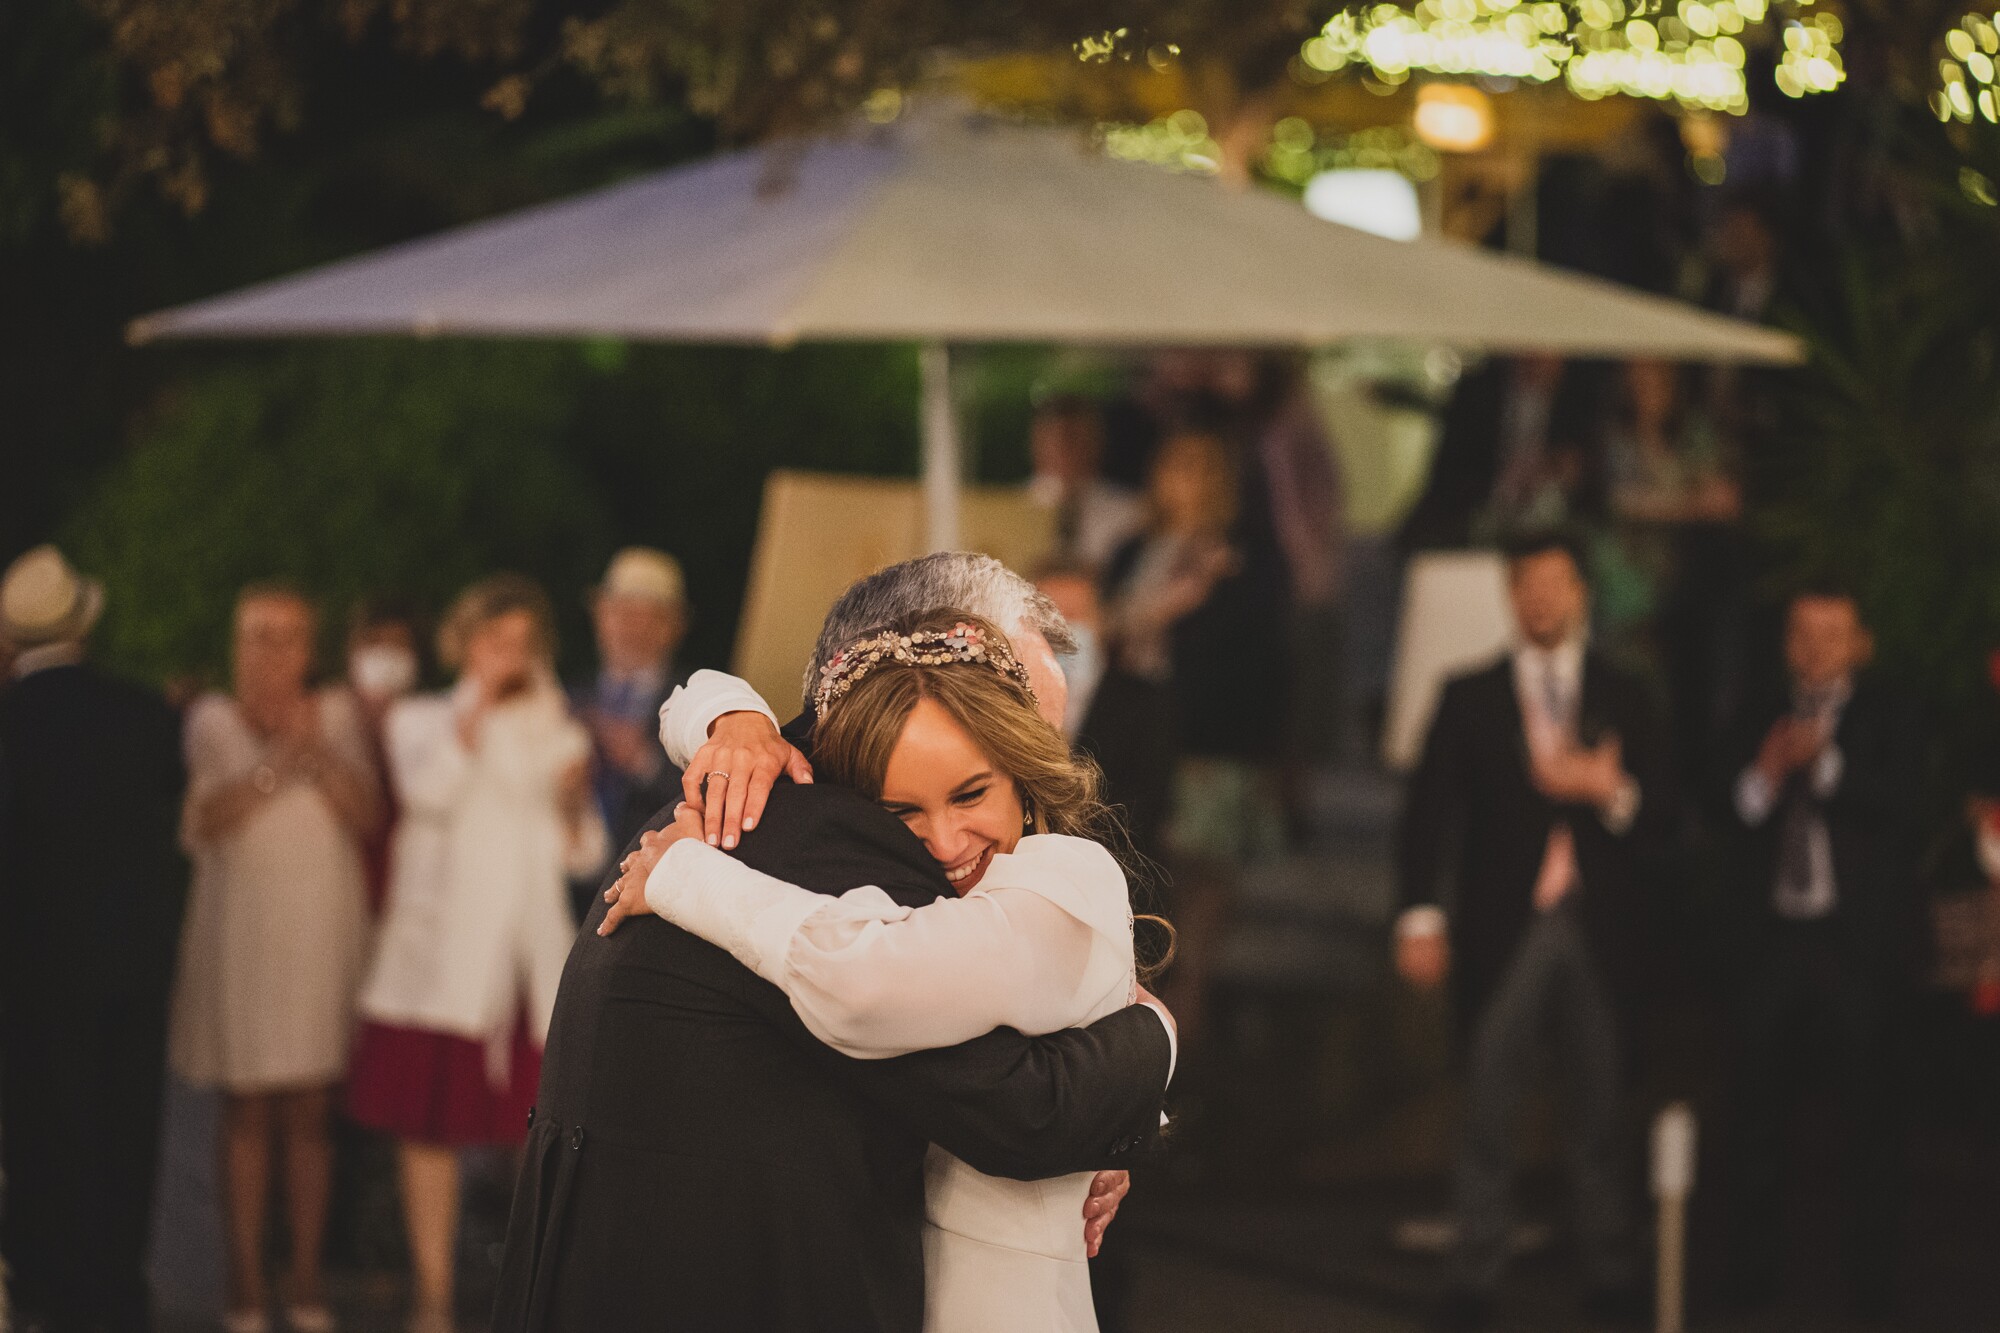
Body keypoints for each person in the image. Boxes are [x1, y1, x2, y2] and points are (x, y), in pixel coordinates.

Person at [492, 554, 1174, 1333]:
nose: (1038, 717)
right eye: (1008, 680)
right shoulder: (838, 847)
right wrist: (1156, 1033)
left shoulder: (760, 796)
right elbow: (1026, 1109)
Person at [1394, 530, 1665, 1329]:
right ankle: (1474, 1271)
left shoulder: (1627, 691)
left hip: (1599, 924)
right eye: (1525, 583)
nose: (1540, 597)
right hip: (1502, 923)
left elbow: (1672, 817)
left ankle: (1612, 1266)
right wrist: (1420, 913)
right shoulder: (1469, 692)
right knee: (1486, 1100)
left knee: (1602, 1100)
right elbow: (1427, 816)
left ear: (1582, 590)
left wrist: (1611, 792)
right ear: (1512, 594)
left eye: (1555, 581)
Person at [347, 574, 604, 1333]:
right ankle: (431, 1294)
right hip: (445, 955)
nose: (510, 655)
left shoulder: (560, 730)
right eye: (496, 641)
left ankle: (534, 1292)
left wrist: (567, 799)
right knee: (429, 1125)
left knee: (542, 1124)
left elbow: (581, 848)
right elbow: (428, 794)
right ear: (466, 642)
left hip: (527, 955)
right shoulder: (422, 718)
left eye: (523, 643)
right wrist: (480, 703)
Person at [170, 583, 383, 1333]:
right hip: (241, 935)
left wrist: (314, 753)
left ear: (310, 646)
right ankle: (243, 1283)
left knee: (310, 1111)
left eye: (288, 636)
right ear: (236, 642)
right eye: (258, 635)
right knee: (246, 1107)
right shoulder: (210, 719)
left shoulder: (338, 715)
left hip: (317, 931)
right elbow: (205, 817)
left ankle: (306, 1280)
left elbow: (368, 815)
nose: (271, 651)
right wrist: (273, 764)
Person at [1716, 586, 1923, 1318]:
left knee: (1869, 1120)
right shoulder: (1756, 708)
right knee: (1754, 1116)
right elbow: (1725, 813)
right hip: (1775, 941)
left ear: (1859, 643)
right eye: (1802, 634)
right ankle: (1752, 1278)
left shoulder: (1889, 712)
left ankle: (1870, 1285)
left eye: (1831, 635)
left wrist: (1828, 763)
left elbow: (1903, 804)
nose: (1815, 650)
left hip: (1855, 947)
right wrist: (1767, 772)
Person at [0, 546, 185, 1333]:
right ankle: (116, 1290)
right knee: (127, 1128)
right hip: (135, 967)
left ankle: (51, 1286)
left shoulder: (9, 724)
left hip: (32, 971)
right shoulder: (147, 714)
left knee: (46, 1129)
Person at [1102, 427, 1290, 1051]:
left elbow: (1254, 662)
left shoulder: (1240, 559)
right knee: (1141, 871)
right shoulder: (1135, 548)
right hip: (1131, 732)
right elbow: (1096, 627)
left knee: (1198, 884)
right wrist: (1165, 609)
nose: (1184, 481)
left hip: (1202, 739)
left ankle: (1187, 1022)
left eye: (1199, 469)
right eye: (1174, 466)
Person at [569, 548, 690, 864]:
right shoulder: (568, 698)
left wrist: (643, 761)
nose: (628, 627)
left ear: (672, 627)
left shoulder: (692, 700)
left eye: (645, 616)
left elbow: (711, 792)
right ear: (599, 615)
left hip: (647, 881)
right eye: (618, 611)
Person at [1028, 394, 1145, 575]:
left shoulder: (1130, 511)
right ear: (1036, 441)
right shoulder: (1011, 505)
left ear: (1097, 442)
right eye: (1054, 438)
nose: (1064, 448)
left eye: (1074, 437)